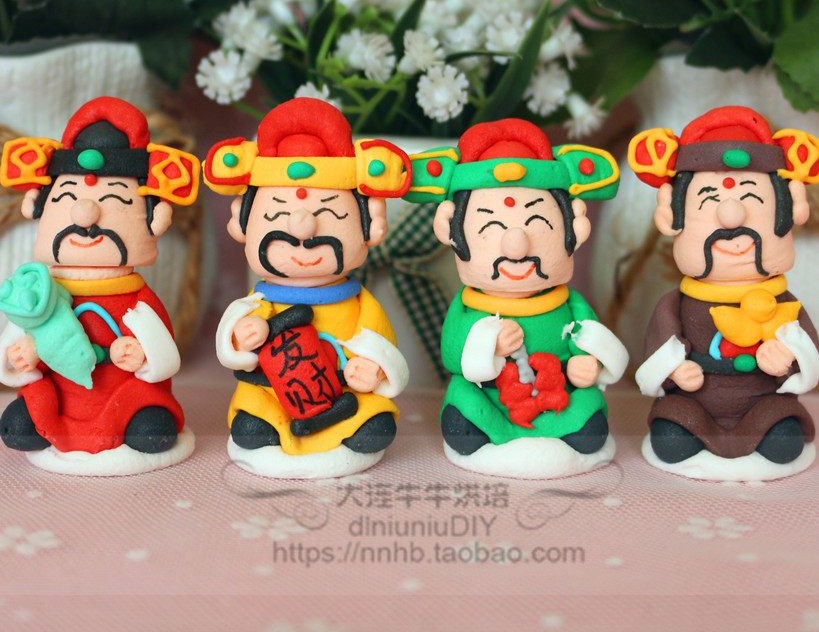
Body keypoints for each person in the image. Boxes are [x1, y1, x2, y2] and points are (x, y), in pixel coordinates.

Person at [406, 118, 627, 478]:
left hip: (558, 397)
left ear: (573, 229)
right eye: (490, 227)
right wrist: (488, 346)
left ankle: (569, 430)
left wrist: (588, 364)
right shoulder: (468, 306)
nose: (516, 247)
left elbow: (592, 339)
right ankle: (484, 429)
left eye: (538, 224)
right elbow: (452, 354)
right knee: (464, 411)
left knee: (589, 421)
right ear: (453, 232)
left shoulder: (568, 304)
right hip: (492, 397)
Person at [204, 97, 412, 479]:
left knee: (375, 427)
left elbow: (381, 343)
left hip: (343, 396)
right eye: (276, 214)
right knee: (251, 426)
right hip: (271, 393)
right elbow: (233, 341)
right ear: (242, 224)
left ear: (371, 227)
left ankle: (350, 431)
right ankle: (267, 428)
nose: (302, 229)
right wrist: (241, 337)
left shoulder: (360, 303)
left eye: (330, 214)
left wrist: (375, 368)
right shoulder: (259, 302)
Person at [0, 96, 200, 474]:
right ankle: (46, 424)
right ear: (37, 210)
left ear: (154, 221)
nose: (84, 213)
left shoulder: (137, 299)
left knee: (151, 431)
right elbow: (16, 339)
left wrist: (143, 355)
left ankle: (134, 423)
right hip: (61, 391)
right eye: (67, 199)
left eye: (113, 201)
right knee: (19, 426)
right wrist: (23, 355)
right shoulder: (43, 291)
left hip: (124, 393)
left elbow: (165, 354)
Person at [630, 106, 819, 480]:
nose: (731, 218)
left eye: (753, 201)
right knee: (671, 442)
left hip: (765, 404)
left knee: (784, 444)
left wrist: (790, 355)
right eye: (708, 201)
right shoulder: (677, 304)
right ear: (672, 219)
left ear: (788, 215)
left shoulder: (784, 303)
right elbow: (657, 351)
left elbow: (809, 348)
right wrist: (673, 370)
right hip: (694, 405)